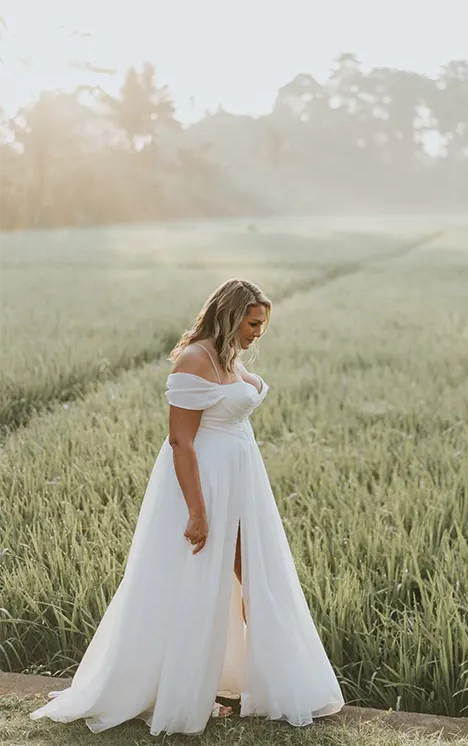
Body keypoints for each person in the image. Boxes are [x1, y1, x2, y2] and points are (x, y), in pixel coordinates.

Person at [29, 278, 345, 736]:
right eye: (253, 323)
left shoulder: (228, 358)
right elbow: (180, 441)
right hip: (206, 484)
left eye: (263, 324)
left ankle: (254, 681)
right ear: (231, 315)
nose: (259, 332)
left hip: (242, 484)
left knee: (255, 579)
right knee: (196, 580)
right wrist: (197, 512)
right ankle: (182, 689)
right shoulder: (195, 359)